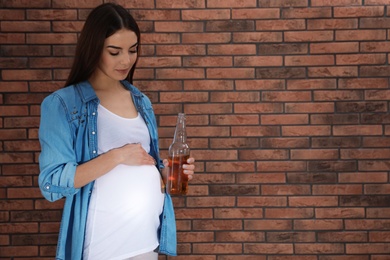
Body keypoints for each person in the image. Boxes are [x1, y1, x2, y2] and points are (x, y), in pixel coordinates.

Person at [38, 3, 195, 260]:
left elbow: (145, 169)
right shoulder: (63, 104)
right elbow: (51, 183)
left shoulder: (141, 101)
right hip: (102, 248)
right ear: (94, 49)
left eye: (133, 50)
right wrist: (117, 156)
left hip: (146, 244)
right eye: (114, 52)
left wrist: (167, 174)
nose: (126, 60)